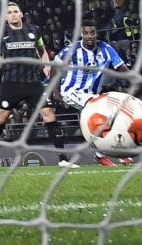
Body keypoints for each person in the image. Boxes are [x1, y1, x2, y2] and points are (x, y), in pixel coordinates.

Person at [0, 2, 74, 168]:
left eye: (15, 11)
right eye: (9, 12)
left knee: (49, 115)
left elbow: (42, 50)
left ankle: (63, 158)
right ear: (5, 17)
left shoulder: (33, 30)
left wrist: (46, 65)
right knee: (1, 118)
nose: (13, 14)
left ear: (21, 14)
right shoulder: (1, 33)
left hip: (33, 82)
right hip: (11, 82)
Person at [53, 19, 133, 167]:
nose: (89, 36)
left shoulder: (106, 49)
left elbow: (121, 67)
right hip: (71, 91)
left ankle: (118, 152)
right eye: (86, 33)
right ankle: (100, 154)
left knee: (114, 114)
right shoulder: (72, 50)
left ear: (97, 34)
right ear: (81, 34)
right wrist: (56, 91)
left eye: (92, 33)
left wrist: (133, 78)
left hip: (93, 94)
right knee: (98, 112)